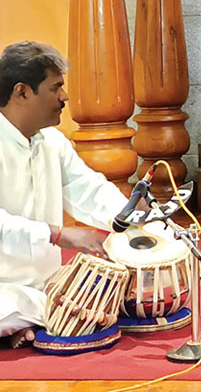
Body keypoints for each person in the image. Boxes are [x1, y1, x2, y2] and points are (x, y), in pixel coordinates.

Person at [0, 41, 129, 348]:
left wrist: (137, 220)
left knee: (90, 294)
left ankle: (32, 321)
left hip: (46, 286)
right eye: (56, 87)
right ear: (22, 93)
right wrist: (58, 234)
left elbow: (88, 190)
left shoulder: (52, 141)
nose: (65, 97)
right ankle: (34, 319)